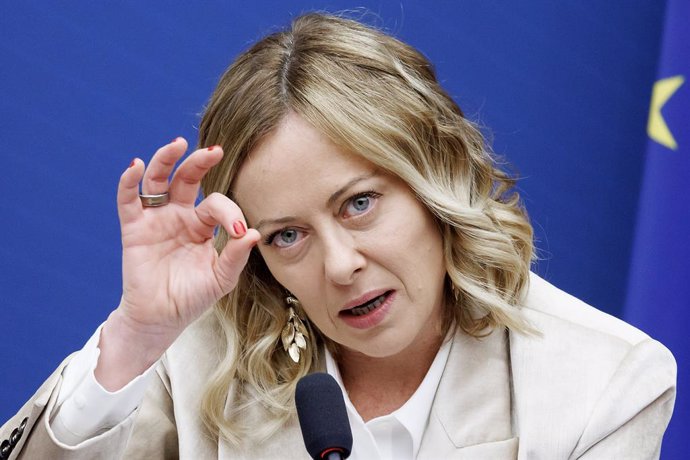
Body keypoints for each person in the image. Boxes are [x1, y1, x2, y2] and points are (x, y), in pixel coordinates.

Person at [0, 12, 676, 460]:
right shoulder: (193, 356)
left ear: (434, 177)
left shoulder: (605, 383)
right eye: (288, 235)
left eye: (359, 204)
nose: (342, 265)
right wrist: (136, 336)